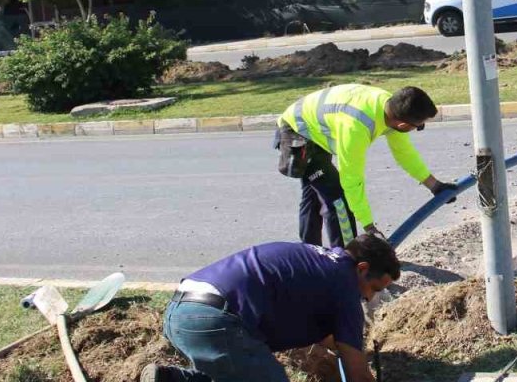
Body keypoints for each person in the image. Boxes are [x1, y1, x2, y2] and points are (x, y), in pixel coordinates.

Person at [139, 234, 398, 382]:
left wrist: (343, 350)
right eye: (374, 289)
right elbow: (357, 375)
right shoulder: (345, 285)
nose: (369, 298)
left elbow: (330, 338)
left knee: (241, 372)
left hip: (181, 311)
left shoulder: (320, 263)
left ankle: (170, 380)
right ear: (362, 269)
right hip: (216, 320)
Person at [274, 84, 456, 248]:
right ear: (402, 124)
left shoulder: (389, 106)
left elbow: (404, 153)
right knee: (339, 202)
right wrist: (369, 226)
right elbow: (352, 179)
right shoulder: (356, 128)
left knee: (314, 196)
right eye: (419, 126)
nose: (419, 128)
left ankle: (309, 254)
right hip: (300, 132)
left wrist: (434, 185)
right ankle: (346, 263)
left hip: (316, 125)